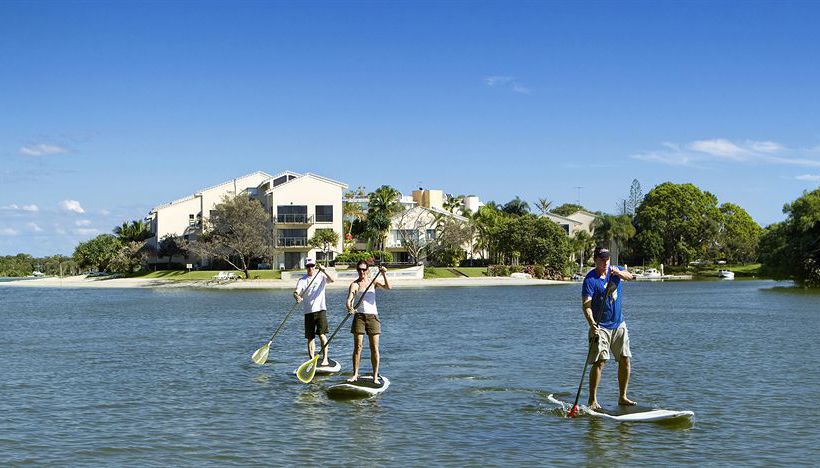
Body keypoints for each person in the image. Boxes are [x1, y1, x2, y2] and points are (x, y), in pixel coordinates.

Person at [582, 246, 636, 410]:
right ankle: (592, 400)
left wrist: (619, 273)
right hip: (601, 326)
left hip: (619, 324)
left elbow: (631, 277)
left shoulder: (615, 271)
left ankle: (623, 397)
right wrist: (591, 323)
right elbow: (586, 305)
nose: (605, 262)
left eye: (607, 259)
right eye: (602, 259)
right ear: (595, 260)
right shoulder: (590, 280)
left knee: (625, 359)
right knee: (600, 361)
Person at [345, 260, 390, 384]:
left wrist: (384, 274)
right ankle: (355, 374)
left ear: (368, 270)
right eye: (359, 269)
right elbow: (349, 300)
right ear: (357, 270)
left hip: (373, 317)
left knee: (374, 347)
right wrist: (350, 308)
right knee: (358, 347)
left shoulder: (373, 281)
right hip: (359, 317)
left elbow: (388, 287)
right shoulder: (354, 284)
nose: (362, 272)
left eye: (364, 269)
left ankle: (375, 376)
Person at [293, 257, 335, 366]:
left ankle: (325, 358)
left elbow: (332, 280)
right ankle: (312, 360)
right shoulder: (302, 280)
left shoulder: (321, 276)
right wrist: (297, 296)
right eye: (308, 266)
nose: (310, 268)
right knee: (310, 338)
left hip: (321, 310)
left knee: (322, 335)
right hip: (308, 312)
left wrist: (324, 270)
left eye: (312, 266)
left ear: (315, 266)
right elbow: (296, 292)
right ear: (306, 267)